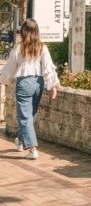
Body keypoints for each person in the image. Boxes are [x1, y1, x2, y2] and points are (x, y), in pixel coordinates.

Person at [0, 18, 60, 159]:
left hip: (24, 84)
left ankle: (33, 149)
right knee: (30, 115)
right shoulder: (42, 47)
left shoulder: (18, 49)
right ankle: (20, 140)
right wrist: (53, 86)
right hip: (38, 84)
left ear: (23, 32)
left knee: (25, 117)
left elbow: (8, 69)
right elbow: (48, 68)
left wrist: (4, 81)